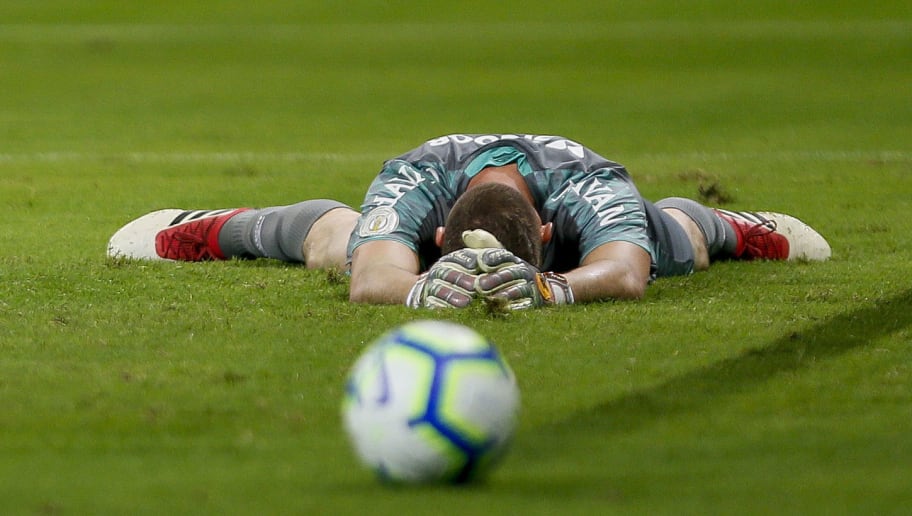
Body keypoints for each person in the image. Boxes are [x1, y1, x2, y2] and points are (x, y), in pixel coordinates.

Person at [107, 133, 831, 309]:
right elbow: (372, 280)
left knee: (678, 244)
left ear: (546, 240)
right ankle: (216, 227)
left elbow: (628, 275)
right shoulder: (413, 180)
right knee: (337, 244)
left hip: (598, 218)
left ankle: (735, 226)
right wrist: (421, 290)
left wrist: (552, 289)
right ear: (437, 240)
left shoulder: (590, 185)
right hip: (422, 206)